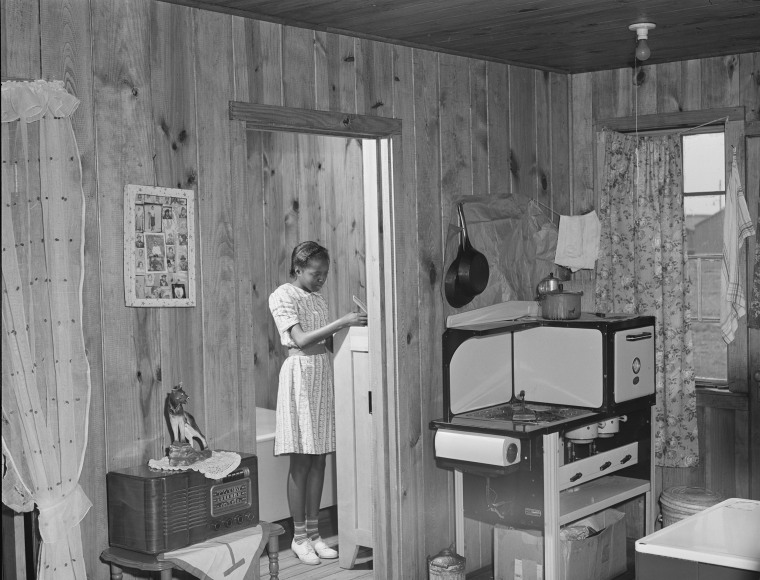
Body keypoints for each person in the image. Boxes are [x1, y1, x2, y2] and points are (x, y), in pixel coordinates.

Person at [268, 241, 367, 566]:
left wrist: (357, 325)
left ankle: (314, 534)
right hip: (299, 374)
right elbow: (299, 339)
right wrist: (343, 322)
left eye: (325, 273)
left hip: (322, 373)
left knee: (320, 458)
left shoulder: (318, 299)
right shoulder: (282, 295)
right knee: (301, 460)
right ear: (298, 269)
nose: (321, 278)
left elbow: (324, 340)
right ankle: (297, 537)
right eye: (315, 273)